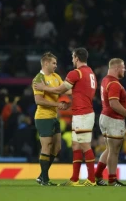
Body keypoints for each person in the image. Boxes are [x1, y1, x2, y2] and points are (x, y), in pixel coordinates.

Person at [34, 47, 97, 186]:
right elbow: (74, 90)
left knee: (84, 145)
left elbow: (61, 89)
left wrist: (44, 88)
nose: (56, 65)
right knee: (75, 145)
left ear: (76, 57)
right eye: (53, 63)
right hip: (63, 114)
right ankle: (73, 179)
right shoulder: (90, 72)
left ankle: (91, 179)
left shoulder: (75, 73)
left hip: (83, 113)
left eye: (73, 57)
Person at [94, 58, 126, 186]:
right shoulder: (114, 84)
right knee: (114, 151)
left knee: (110, 149)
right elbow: (114, 104)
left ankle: (98, 175)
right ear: (116, 68)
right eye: (123, 67)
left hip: (105, 117)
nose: (125, 70)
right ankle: (112, 180)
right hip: (113, 119)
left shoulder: (105, 80)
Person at [32, 52, 70, 186]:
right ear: (46, 63)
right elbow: (38, 100)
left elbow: (64, 90)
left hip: (53, 116)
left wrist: (78, 90)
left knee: (57, 147)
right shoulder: (38, 79)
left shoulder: (56, 76)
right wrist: (57, 104)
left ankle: (42, 176)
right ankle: (45, 180)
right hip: (43, 117)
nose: (56, 65)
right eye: (53, 63)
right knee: (46, 146)